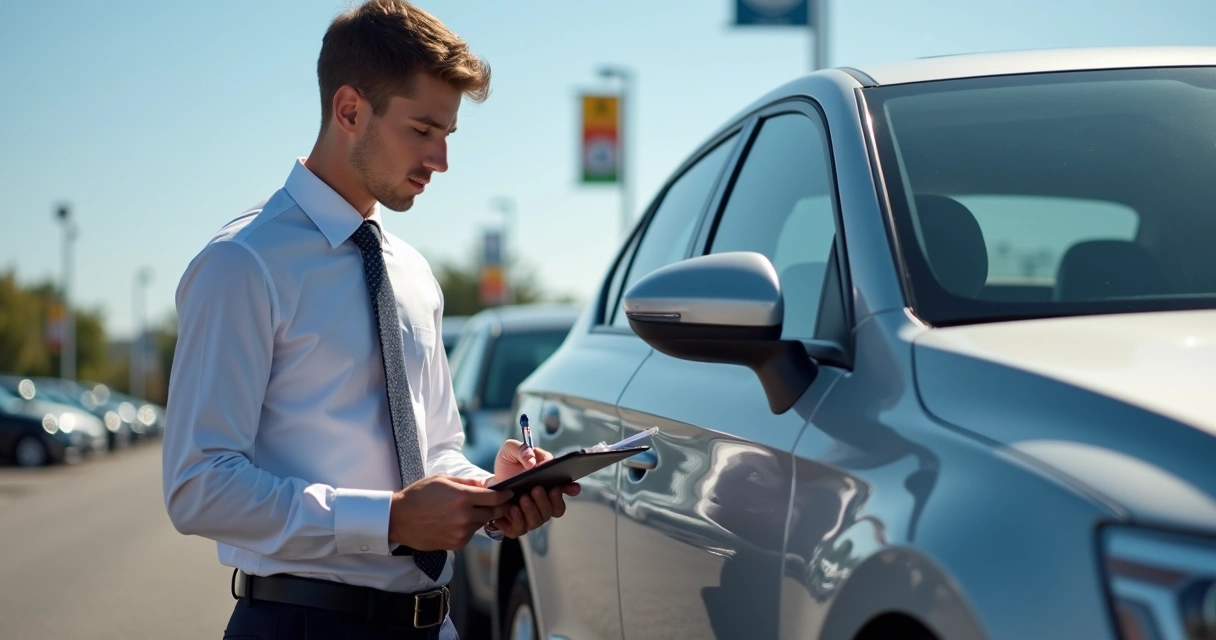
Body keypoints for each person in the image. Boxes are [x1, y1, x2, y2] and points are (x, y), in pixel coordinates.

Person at [160, 2, 579, 638]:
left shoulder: (412, 273)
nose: (441, 159)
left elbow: (435, 453)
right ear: (350, 110)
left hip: (432, 624)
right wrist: (388, 520)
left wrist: (490, 492)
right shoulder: (242, 264)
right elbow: (198, 485)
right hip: (302, 623)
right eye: (423, 130)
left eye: (448, 133)